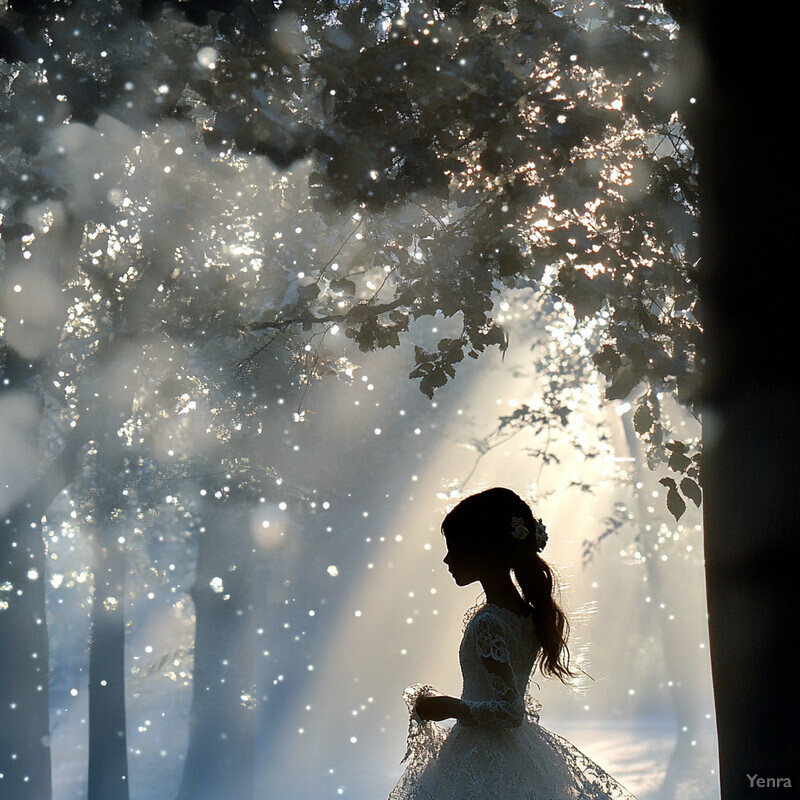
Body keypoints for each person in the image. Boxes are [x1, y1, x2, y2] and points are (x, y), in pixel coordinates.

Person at [387, 487, 638, 800]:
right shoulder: (525, 616)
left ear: (484, 549)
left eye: (455, 548)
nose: (447, 559)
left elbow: (509, 710)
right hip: (516, 749)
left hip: (482, 753)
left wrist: (451, 706)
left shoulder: (490, 622)